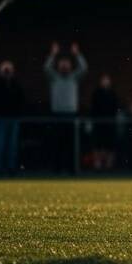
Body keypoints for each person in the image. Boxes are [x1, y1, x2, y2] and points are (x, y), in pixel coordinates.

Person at [44, 42, 88, 174]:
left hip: (71, 115)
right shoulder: (54, 77)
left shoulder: (74, 77)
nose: (64, 66)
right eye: (62, 64)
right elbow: (46, 67)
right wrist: (53, 54)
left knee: (71, 145)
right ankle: (56, 169)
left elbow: (84, 68)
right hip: (57, 115)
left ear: (70, 66)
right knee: (57, 144)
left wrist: (77, 54)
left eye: (66, 64)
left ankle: (72, 169)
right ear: (58, 66)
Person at [0, 61, 25, 177]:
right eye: (5, 70)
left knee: (12, 146)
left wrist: (18, 114)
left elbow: (21, 100)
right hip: (0, 119)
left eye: (9, 70)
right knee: (0, 145)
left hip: (13, 119)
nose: (7, 72)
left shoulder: (16, 84)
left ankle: (11, 169)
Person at [90, 74, 121, 170]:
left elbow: (116, 108)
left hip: (110, 124)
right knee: (98, 145)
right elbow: (93, 108)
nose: (105, 82)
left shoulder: (113, 93)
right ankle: (97, 165)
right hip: (98, 123)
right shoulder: (96, 93)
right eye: (103, 80)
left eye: (107, 80)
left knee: (110, 146)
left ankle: (109, 166)